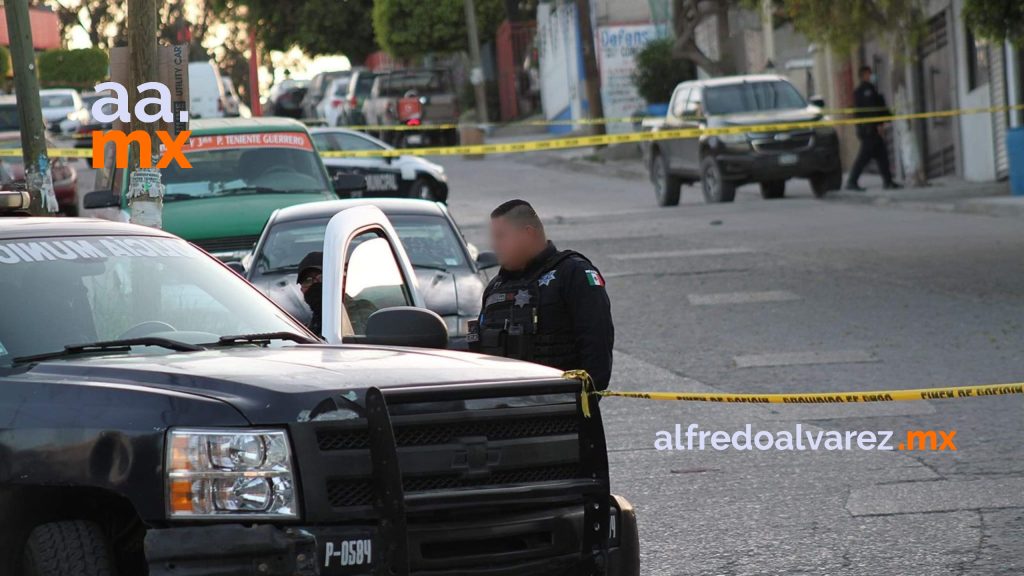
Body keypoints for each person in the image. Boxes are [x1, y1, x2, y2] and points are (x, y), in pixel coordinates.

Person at [469, 200, 614, 389]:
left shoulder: (572, 273)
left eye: (501, 236)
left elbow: (597, 346)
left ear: (528, 234)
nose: (494, 245)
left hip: (559, 408)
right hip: (502, 408)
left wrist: (583, 399)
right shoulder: (496, 287)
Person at [846, 65, 901, 191]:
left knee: (882, 156)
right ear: (864, 75)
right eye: (869, 74)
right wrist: (878, 125)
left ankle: (888, 182)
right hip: (870, 130)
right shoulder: (866, 91)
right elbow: (871, 111)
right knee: (863, 157)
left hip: (869, 129)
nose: (872, 76)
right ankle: (852, 182)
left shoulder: (865, 90)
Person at [297, 251, 324, 335]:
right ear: (302, 289)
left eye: (321, 277)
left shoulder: (355, 314)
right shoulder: (309, 328)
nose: (315, 284)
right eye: (307, 280)